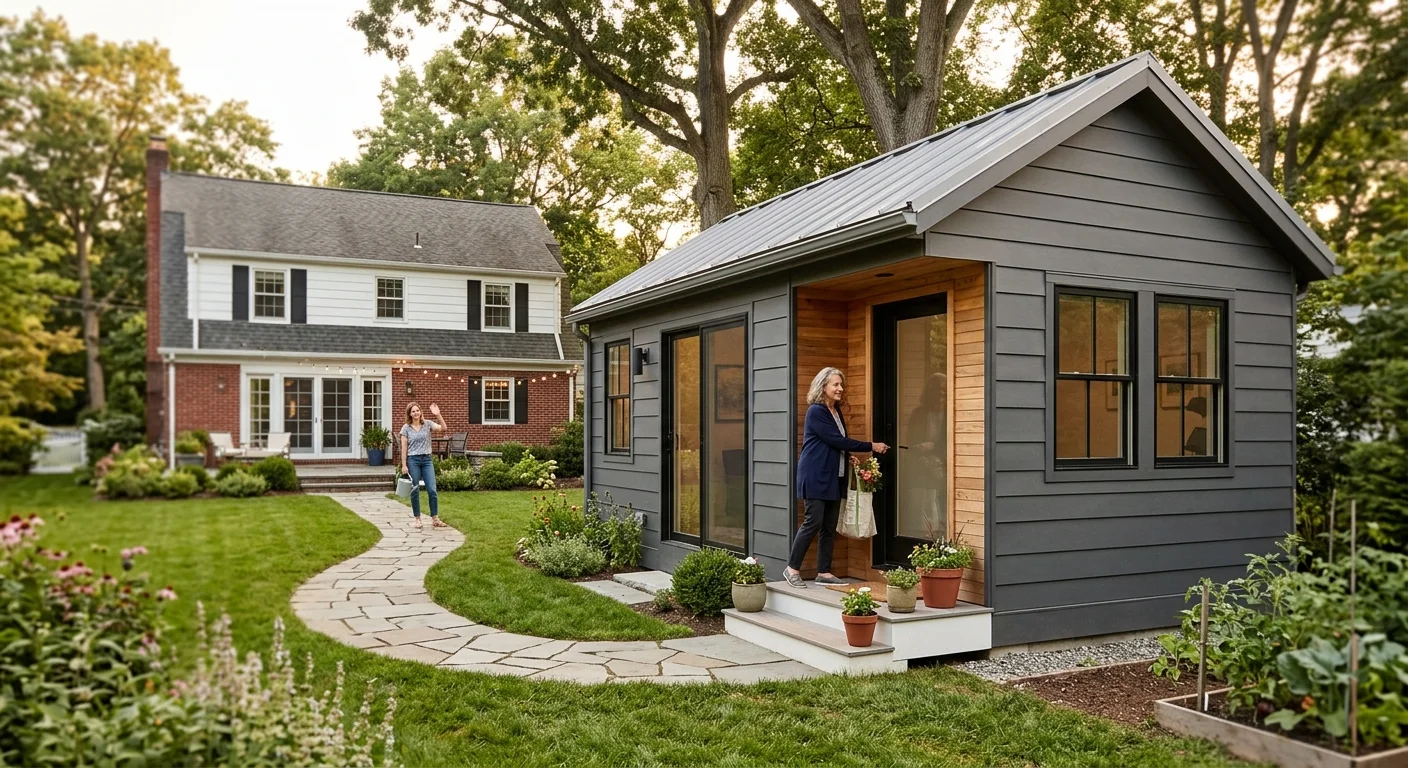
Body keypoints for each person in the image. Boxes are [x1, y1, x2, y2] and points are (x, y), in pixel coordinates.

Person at [785, 367, 889, 588]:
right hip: (815, 476)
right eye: (836, 384)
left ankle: (824, 571)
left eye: (841, 385)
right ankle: (792, 569)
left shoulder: (835, 411)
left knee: (829, 525)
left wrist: (848, 456)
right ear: (823, 386)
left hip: (834, 476)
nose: (840, 388)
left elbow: (837, 442)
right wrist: (871, 446)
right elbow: (837, 440)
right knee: (812, 522)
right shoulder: (817, 411)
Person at [400, 402, 446, 528]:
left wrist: (438, 415)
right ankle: (417, 519)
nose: (416, 413)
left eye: (417, 410)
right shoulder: (406, 428)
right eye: (413, 411)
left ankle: (435, 518)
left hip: (427, 460)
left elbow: (443, 428)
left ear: (420, 411)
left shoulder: (427, 424)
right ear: (410, 414)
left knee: (432, 490)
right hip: (413, 460)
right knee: (415, 490)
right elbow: (404, 448)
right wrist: (404, 465)